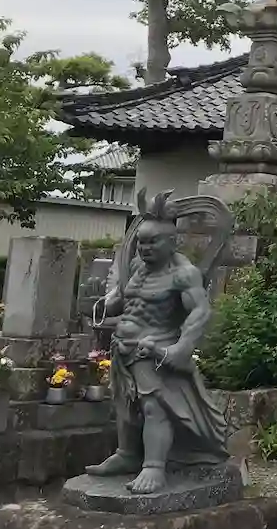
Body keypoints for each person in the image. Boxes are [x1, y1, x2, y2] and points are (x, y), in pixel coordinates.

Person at [85, 190, 229, 493]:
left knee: (155, 408)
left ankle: (154, 467)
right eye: (141, 242)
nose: (145, 248)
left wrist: (182, 347)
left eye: (153, 242)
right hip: (123, 347)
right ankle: (127, 454)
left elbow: (200, 311)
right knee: (124, 405)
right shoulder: (137, 267)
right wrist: (102, 303)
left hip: (154, 349)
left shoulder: (183, 274)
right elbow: (123, 298)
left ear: (173, 242)